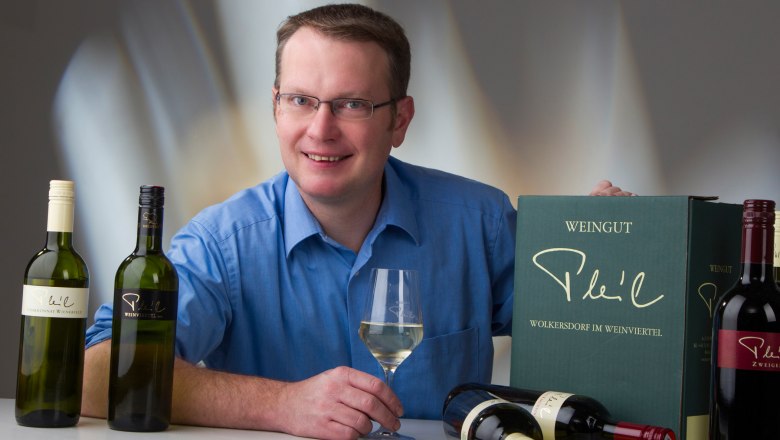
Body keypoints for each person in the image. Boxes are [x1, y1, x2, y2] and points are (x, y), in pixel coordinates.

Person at [82, 4, 633, 440]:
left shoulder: (479, 222)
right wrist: (282, 405)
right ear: (275, 108)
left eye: (351, 105)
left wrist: (611, 245)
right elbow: (96, 374)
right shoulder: (222, 245)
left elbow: (590, 325)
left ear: (400, 120)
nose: (320, 130)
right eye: (301, 100)